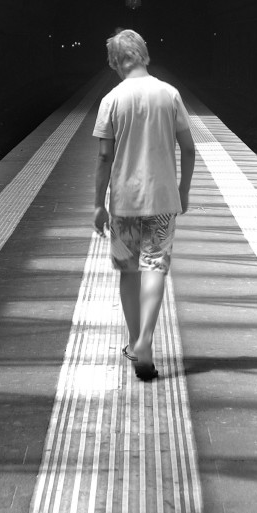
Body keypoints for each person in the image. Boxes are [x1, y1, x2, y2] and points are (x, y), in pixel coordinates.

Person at [93, 28, 195, 381]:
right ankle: (145, 341)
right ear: (144, 55)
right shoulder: (170, 94)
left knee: (129, 271)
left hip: (123, 201)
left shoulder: (111, 100)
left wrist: (97, 204)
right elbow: (189, 148)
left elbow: (104, 157)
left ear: (116, 62)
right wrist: (183, 190)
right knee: (155, 267)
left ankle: (134, 339)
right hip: (163, 200)